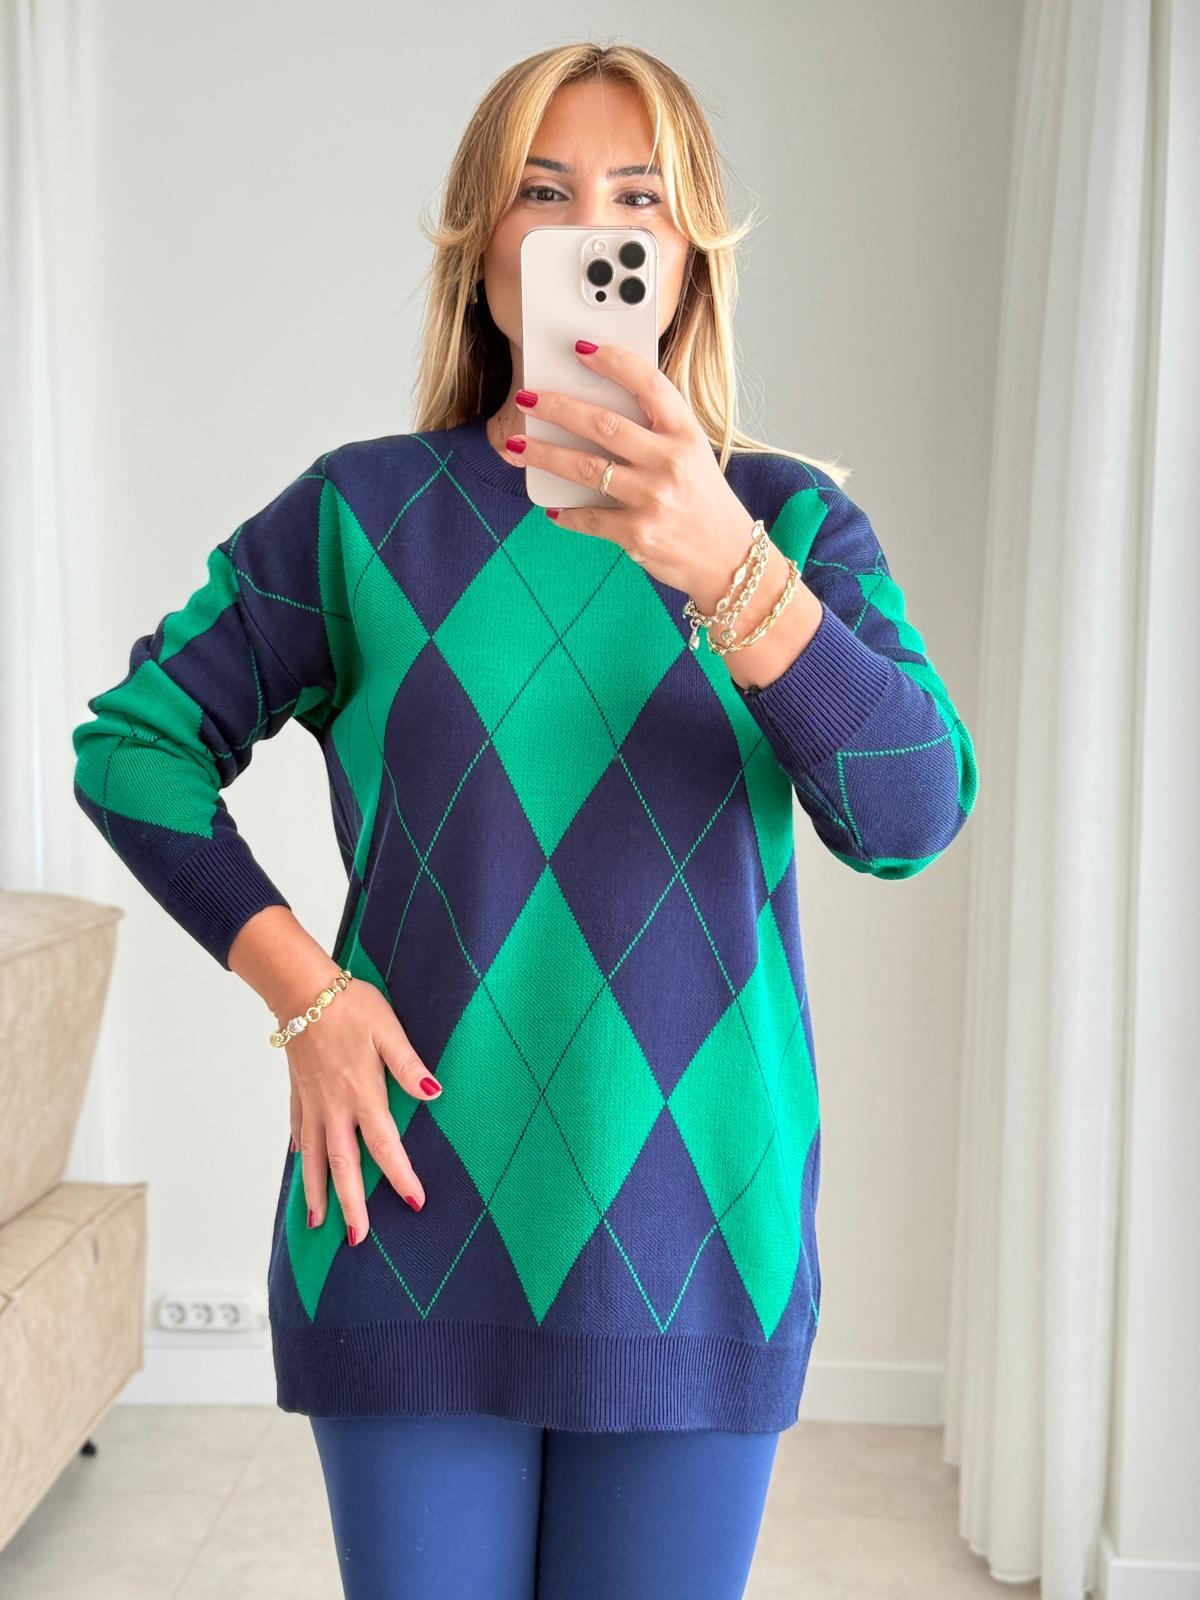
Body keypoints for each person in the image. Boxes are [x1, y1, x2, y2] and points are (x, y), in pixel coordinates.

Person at [71, 41, 978, 1600]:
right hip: (407, 1203)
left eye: (639, 200)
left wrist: (727, 566)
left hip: (699, 1232)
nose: (591, 232)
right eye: (543, 195)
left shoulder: (791, 521)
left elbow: (911, 812)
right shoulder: (363, 514)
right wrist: (307, 996)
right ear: (483, 250)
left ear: (688, 258)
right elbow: (136, 744)